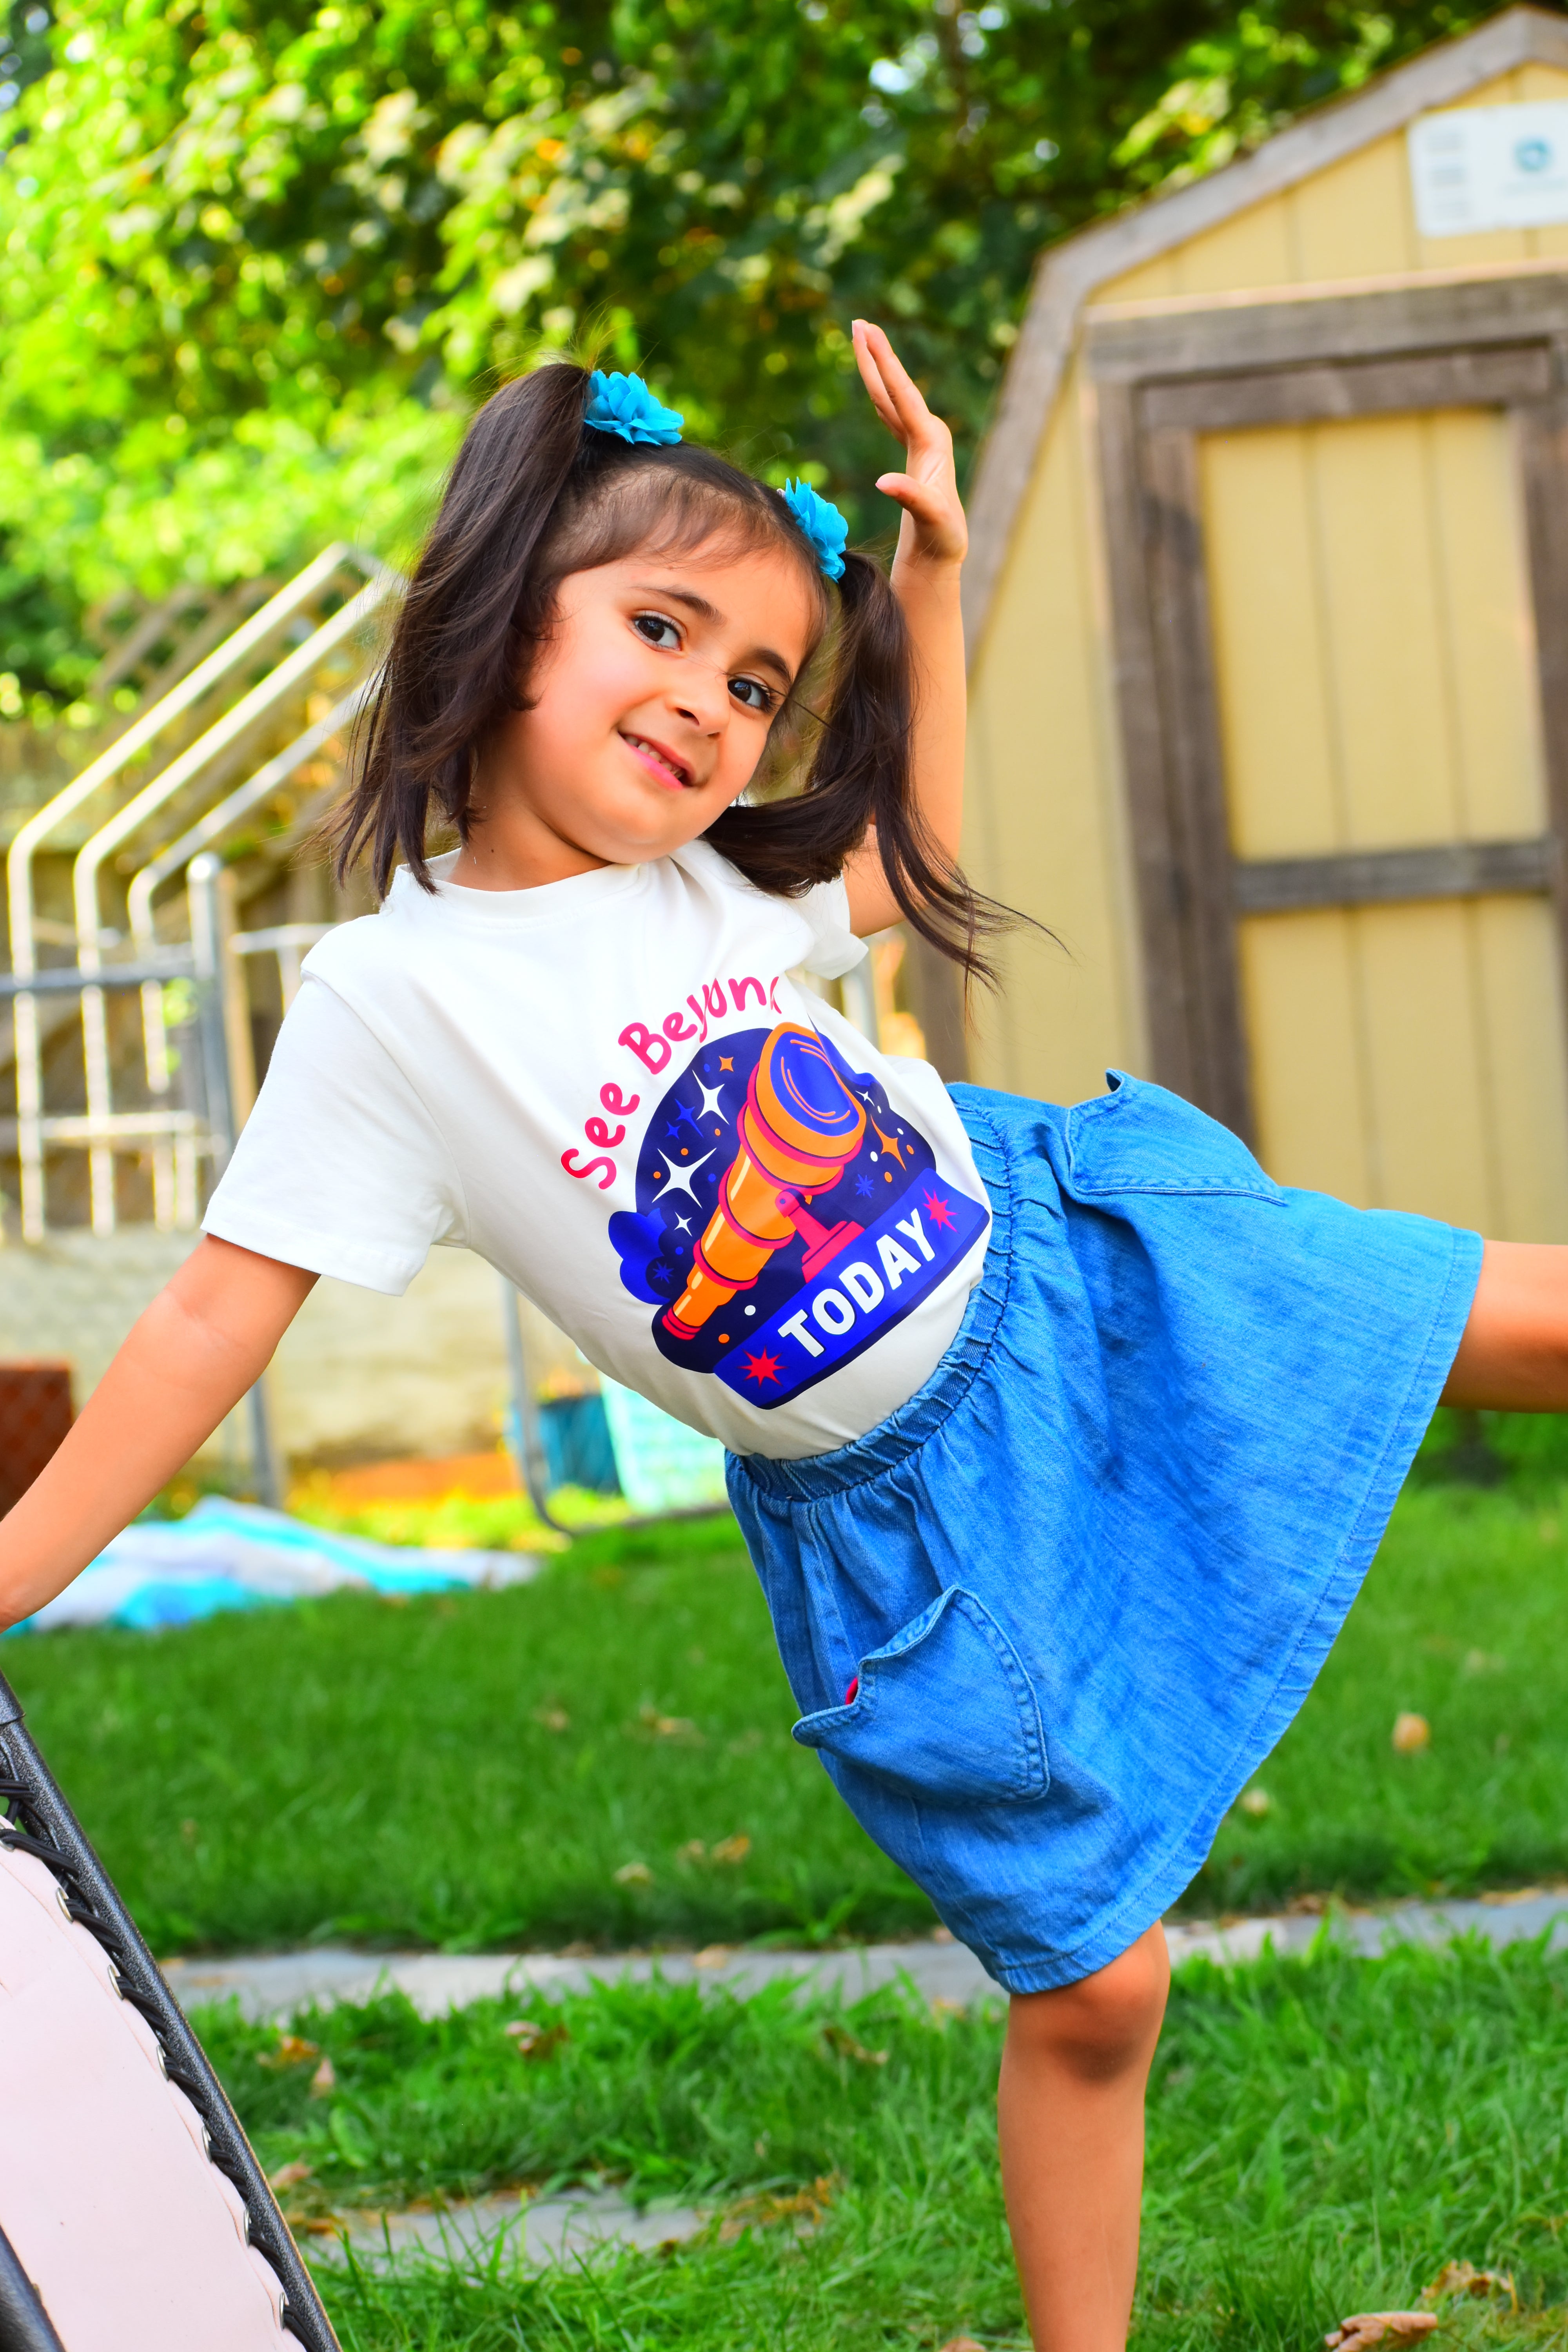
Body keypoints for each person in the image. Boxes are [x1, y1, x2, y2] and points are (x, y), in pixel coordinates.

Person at [2, 323, 1564, 2352]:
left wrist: (925, 586)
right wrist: (18, 1573)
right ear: (503, 622)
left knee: (1509, 1316)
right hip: (904, 1521)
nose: (714, 709)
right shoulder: (393, 1007)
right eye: (663, 631)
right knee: (1096, 1980)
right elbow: (217, 1309)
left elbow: (906, 868)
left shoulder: (711, 898)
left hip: (1076, 1262)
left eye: (755, 682)